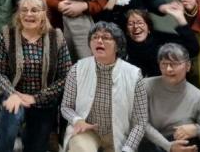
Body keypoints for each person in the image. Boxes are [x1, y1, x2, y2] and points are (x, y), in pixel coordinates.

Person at [0, 0, 72, 152]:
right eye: (24, 10)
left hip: (43, 102)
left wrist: (35, 98)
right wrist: (12, 93)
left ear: (44, 13)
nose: (28, 14)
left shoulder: (56, 37)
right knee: (9, 125)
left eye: (34, 10)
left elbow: (66, 76)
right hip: (14, 96)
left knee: (35, 147)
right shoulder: (8, 35)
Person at [61, 22, 148, 152]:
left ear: (118, 45)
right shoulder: (77, 69)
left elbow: (140, 122)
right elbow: (65, 106)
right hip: (86, 131)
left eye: (106, 37)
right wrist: (77, 120)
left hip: (117, 134)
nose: (99, 41)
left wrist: (128, 149)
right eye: (95, 37)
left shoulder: (134, 75)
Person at [142, 43, 200, 152]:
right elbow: (140, 124)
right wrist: (169, 146)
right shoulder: (145, 86)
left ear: (188, 66)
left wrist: (198, 130)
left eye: (174, 64)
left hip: (181, 145)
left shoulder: (199, 98)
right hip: (149, 145)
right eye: (164, 64)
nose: (168, 69)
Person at [124, 8, 199, 78]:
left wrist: (180, 18)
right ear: (127, 31)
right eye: (130, 24)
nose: (136, 27)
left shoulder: (162, 39)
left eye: (140, 23)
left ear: (148, 27)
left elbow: (193, 48)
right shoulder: (123, 47)